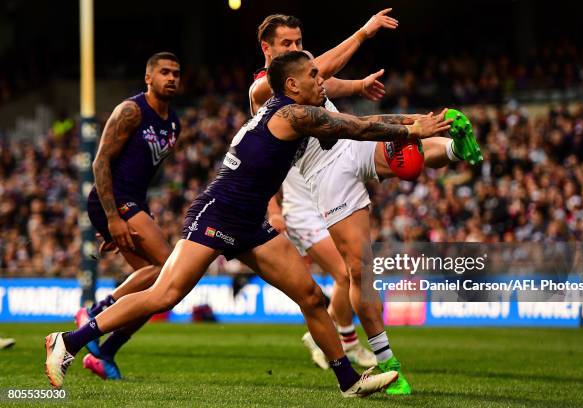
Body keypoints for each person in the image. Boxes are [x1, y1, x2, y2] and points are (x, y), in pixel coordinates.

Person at [45, 51, 451, 396]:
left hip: (251, 222)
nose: (321, 78)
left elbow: (362, 121)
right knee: (165, 294)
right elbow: (359, 127)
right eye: (313, 74)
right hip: (219, 211)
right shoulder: (293, 114)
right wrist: (412, 130)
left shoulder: (297, 111)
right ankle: (68, 341)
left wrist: (418, 121)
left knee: (310, 296)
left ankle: (348, 381)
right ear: (292, 85)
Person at [252, 12, 395, 370]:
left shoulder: (306, 82)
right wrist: (362, 33)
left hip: (331, 188)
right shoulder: (261, 88)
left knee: (354, 270)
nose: (297, 50)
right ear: (266, 48)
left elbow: (329, 82)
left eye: (299, 43)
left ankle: (337, 338)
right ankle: (338, 340)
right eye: (287, 44)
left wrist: (359, 85)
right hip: (301, 204)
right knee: (348, 273)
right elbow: (323, 69)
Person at [77, 52, 182, 380]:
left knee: (158, 293)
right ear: (148, 78)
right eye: (164, 72)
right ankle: (95, 313)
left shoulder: (173, 123)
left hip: (133, 204)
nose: (172, 78)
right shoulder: (131, 110)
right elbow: (100, 162)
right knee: (169, 267)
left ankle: (106, 351)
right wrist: (111, 218)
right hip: (116, 202)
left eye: (176, 73)